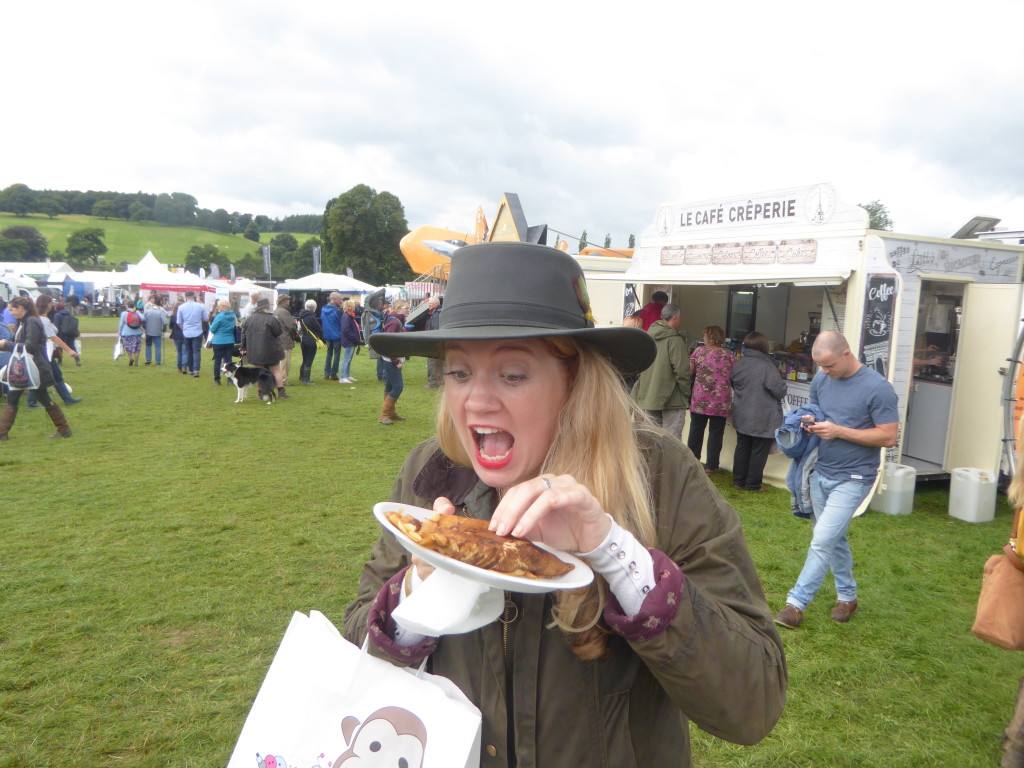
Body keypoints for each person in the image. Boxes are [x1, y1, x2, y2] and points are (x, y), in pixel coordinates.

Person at [343, 242, 786, 765]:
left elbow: (752, 704)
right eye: (460, 373)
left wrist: (615, 552)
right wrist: (419, 595)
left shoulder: (659, 474)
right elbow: (359, 659)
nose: (476, 401)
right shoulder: (432, 472)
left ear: (574, 382)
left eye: (512, 374)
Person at [774, 330, 898, 629]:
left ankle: (795, 605)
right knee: (834, 538)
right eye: (820, 367)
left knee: (822, 540)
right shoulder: (821, 380)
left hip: (855, 476)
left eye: (829, 366)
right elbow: (818, 413)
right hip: (820, 471)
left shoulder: (879, 388)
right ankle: (848, 597)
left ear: (847, 354)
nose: (824, 372)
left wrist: (840, 431)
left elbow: (888, 436)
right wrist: (809, 424)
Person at [0, 297, 73, 439]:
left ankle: (64, 429)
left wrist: (5, 345)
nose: (10, 312)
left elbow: (30, 346)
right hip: (27, 366)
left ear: (21, 308)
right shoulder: (24, 321)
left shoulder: (32, 321)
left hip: (34, 367)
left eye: (12, 309)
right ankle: (64, 429)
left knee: (32, 398)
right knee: (19, 398)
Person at [730, 331, 787, 492]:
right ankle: (753, 484)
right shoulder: (767, 367)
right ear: (763, 346)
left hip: (741, 411)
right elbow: (779, 390)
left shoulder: (739, 363)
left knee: (742, 446)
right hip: (762, 414)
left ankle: (738, 480)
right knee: (759, 450)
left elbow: (733, 382)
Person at [630, 303, 691, 441]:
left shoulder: (648, 337)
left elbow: (640, 366)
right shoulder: (674, 340)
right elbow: (682, 371)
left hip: (649, 395)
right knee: (672, 440)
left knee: (650, 438)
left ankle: (651, 463)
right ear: (675, 318)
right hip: (672, 398)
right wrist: (686, 393)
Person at [687, 325, 734, 474]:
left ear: (710, 337)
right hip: (721, 400)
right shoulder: (729, 355)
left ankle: (692, 461)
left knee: (696, 430)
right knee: (716, 433)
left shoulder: (699, 352)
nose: (703, 338)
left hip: (700, 398)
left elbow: (689, 371)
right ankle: (712, 466)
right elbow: (733, 376)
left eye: (705, 336)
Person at [28, 295, 80, 408]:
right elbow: (53, 338)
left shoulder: (39, 318)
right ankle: (32, 403)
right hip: (45, 352)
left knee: (54, 376)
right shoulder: (43, 320)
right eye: (51, 303)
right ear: (47, 304)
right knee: (46, 377)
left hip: (46, 352)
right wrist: (69, 350)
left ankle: (67, 399)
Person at [240, 297, 289, 399]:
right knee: (276, 370)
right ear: (266, 307)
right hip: (271, 350)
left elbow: (243, 334)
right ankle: (281, 392)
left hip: (254, 350)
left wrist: (243, 347)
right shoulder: (271, 318)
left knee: (258, 372)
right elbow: (278, 332)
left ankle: (261, 393)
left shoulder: (249, 319)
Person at [377, 300, 409, 425]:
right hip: (390, 360)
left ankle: (391, 413)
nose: (409, 309)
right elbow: (388, 344)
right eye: (406, 307)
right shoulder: (394, 322)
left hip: (391, 359)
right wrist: (396, 362)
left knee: (390, 386)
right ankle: (384, 415)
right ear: (398, 309)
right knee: (398, 387)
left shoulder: (397, 321)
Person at [176, 291, 209, 377]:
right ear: (194, 296)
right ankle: (196, 369)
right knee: (197, 351)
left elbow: (179, 322)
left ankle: (190, 369)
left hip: (187, 331)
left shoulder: (181, 307)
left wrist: (184, 329)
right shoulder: (200, 306)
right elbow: (206, 319)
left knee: (189, 351)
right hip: (198, 331)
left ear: (185, 296)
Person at [208, 299, 239, 385]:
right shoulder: (233, 316)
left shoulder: (220, 316)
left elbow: (212, 328)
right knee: (228, 360)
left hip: (218, 341)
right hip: (229, 340)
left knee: (217, 361)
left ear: (223, 307)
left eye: (219, 306)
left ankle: (217, 379)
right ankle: (230, 379)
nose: (217, 308)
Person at [273, 295, 300, 385]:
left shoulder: (276, 311)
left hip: (278, 339)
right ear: (284, 301)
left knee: (281, 362)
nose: (289, 302)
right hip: (285, 339)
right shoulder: (284, 312)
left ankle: (280, 379)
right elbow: (291, 326)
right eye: (288, 300)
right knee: (285, 362)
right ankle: (283, 380)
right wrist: (295, 335)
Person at [296, 299, 324, 385]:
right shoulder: (311, 317)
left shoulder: (301, 315)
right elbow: (319, 329)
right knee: (309, 359)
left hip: (303, 339)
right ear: (314, 307)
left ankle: (301, 376)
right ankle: (306, 379)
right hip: (311, 340)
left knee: (304, 359)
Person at [321, 292, 344, 380]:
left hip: (327, 334)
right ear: (334, 299)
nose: (340, 301)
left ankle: (326, 374)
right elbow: (342, 322)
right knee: (336, 354)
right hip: (337, 334)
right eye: (339, 299)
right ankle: (333, 373)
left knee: (329, 354)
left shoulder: (323, 309)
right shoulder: (338, 310)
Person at [422, 296, 443, 389]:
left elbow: (434, 328)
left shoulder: (436, 314)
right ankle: (440, 383)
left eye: (431, 303)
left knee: (433, 362)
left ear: (436, 304)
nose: (429, 305)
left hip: (434, 342)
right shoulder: (437, 313)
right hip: (439, 342)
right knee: (440, 363)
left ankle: (433, 383)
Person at [339, 299, 361, 384]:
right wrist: (354, 337)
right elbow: (346, 330)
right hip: (349, 341)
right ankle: (342, 377)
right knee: (346, 359)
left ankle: (347, 375)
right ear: (350, 307)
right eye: (354, 305)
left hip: (351, 341)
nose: (355, 307)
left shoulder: (350, 315)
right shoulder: (346, 316)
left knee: (349, 359)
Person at [142, 296, 168, 366]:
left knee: (148, 345)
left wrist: (145, 327)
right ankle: (158, 361)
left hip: (148, 331)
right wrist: (164, 329)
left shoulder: (146, 312)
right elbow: (165, 322)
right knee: (158, 347)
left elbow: (143, 320)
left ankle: (148, 359)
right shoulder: (160, 312)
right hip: (157, 331)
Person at [168, 300, 187, 373]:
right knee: (185, 352)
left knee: (179, 352)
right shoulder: (185, 316)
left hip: (176, 335)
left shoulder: (173, 316)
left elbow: (170, 326)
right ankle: (184, 366)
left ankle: (179, 367)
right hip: (184, 334)